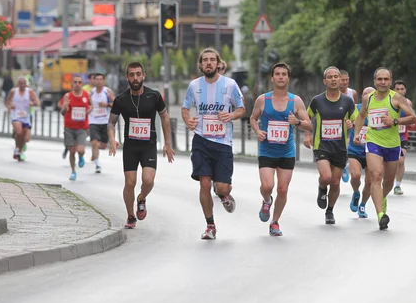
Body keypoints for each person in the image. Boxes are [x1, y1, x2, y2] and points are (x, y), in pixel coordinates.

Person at [182, 48, 245, 240]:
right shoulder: (194, 85)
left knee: (222, 187)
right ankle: (210, 225)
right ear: (200, 65)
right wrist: (188, 120)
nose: (209, 63)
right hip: (201, 141)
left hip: (223, 143)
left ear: (218, 64)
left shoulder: (230, 84)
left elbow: (242, 109)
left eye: (212, 60)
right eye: (205, 60)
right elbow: (185, 108)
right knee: (204, 184)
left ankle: (224, 194)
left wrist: (231, 115)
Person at [108, 62, 175, 229]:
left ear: (143, 75)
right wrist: (111, 138)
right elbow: (111, 123)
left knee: (148, 180)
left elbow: (165, 117)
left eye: (138, 74)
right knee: (130, 183)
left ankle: (142, 198)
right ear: (127, 78)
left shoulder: (154, 96)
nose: (135, 78)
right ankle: (131, 216)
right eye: (132, 75)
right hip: (130, 147)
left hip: (148, 145)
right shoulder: (121, 99)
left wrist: (167, 143)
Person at [249, 63, 312, 236]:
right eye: (277, 74)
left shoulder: (295, 101)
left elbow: (309, 124)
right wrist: (257, 130)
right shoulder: (263, 99)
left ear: (288, 78)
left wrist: (297, 122)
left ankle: (275, 222)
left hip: (286, 151)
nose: (281, 77)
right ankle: (266, 200)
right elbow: (253, 118)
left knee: (283, 190)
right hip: (267, 150)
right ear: (272, 78)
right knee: (267, 186)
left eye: (284, 74)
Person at [353, 67, 416, 230]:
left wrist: (395, 121)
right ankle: (381, 215)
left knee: (388, 180)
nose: (382, 82)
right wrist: (357, 133)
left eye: (386, 79)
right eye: (379, 79)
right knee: (376, 175)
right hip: (373, 141)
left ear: (390, 81)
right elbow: (361, 116)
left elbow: (413, 118)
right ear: (374, 81)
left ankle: (383, 197)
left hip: (393, 144)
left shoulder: (396, 98)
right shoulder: (368, 98)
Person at [304, 66, 356, 225]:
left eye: (336, 77)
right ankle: (321, 188)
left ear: (340, 80)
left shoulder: (347, 101)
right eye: (330, 77)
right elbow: (307, 118)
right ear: (324, 81)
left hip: (339, 147)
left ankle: (330, 210)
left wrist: (350, 123)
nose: (333, 79)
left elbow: (355, 120)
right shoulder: (317, 100)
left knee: (335, 182)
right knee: (326, 177)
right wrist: (307, 135)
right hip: (322, 145)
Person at [347, 87, 375, 218]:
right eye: (366, 96)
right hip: (355, 149)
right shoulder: (354, 108)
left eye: (371, 95)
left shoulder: (378, 111)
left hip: (372, 151)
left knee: (370, 181)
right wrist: (348, 124)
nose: (368, 98)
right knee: (355, 175)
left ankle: (363, 204)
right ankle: (356, 192)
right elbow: (345, 121)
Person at [59, 75, 92, 181]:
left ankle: (81, 156)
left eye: (79, 82)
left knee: (80, 149)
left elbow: (91, 106)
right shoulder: (67, 96)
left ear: (82, 84)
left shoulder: (86, 95)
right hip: (69, 127)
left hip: (82, 128)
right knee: (72, 151)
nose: (77, 84)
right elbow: (62, 113)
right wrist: (65, 107)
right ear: (72, 84)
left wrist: (89, 110)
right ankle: (73, 171)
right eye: (75, 82)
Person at [5, 77, 40, 161]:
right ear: (18, 84)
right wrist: (10, 107)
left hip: (26, 116)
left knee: (24, 136)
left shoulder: (30, 92)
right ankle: (17, 148)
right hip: (16, 115)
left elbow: (37, 102)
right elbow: (7, 102)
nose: (22, 85)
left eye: (24, 84)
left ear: (26, 84)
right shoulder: (14, 91)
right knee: (19, 132)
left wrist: (33, 103)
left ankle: (19, 150)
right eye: (20, 84)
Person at [89, 73, 115, 173]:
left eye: (101, 79)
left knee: (103, 146)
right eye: (97, 79)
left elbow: (117, 104)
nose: (99, 81)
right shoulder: (90, 93)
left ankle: (95, 152)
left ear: (103, 81)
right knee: (94, 142)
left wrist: (107, 104)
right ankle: (97, 164)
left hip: (105, 122)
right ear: (94, 81)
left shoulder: (107, 91)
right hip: (93, 121)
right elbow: (85, 104)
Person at [392, 80, 413, 195]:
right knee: (388, 162)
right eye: (397, 89)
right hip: (389, 136)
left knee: (401, 161)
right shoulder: (389, 101)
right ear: (393, 90)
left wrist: (410, 123)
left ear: (405, 90)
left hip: (402, 137)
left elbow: (412, 119)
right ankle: (384, 182)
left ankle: (398, 185)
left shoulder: (408, 103)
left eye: (402, 89)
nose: (400, 91)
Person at [339, 70, 358, 183]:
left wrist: (354, 122)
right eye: (342, 79)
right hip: (335, 126)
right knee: (338, 149)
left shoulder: (352, 93)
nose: (345, 82)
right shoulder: (332, 93)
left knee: (346, 147)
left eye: (347, 79)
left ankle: (344, 166)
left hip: (349, 126)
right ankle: (340, 166)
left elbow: (355, 109)